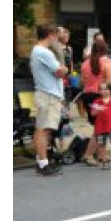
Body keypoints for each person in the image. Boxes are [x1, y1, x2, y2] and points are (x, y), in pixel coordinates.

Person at [30, 25, 69, 176]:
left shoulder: (37, 51)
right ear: (50, 35)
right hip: (49, 95)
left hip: (45, 94)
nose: (56, 39)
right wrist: (64, 69)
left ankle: (41, 160)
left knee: (41, 129)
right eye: (55, 35)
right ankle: (43, 164)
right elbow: (59, 72)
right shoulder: (44, 52)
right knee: (44, 130)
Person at [79, 40, 111, 167]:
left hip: (88, 97)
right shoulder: (106, 62)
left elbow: (82, 83)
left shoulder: (85, 64)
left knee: (100, 126)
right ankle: (89, 155)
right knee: (101, 128)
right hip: (100, 96)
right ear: (105, 50)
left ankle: (101, 155)